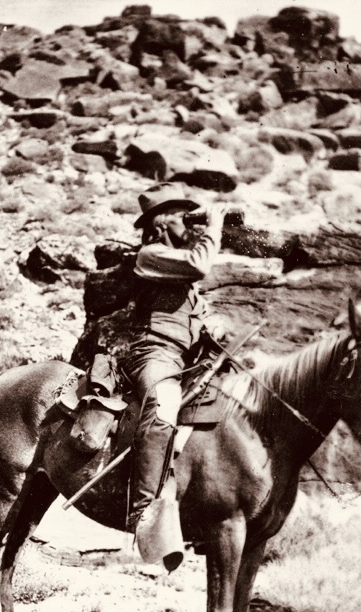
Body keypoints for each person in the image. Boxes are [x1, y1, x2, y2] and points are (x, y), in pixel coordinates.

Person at [122, 182, 227, 569]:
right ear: (164, 222)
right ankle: (144, 513)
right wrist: (212, 225)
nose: (191, 225)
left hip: (183, 356)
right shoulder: (150, 255)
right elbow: (199, 263)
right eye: (185, 217)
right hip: (153, 351)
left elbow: (194, 314)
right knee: (164, 407)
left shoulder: (178, 273)